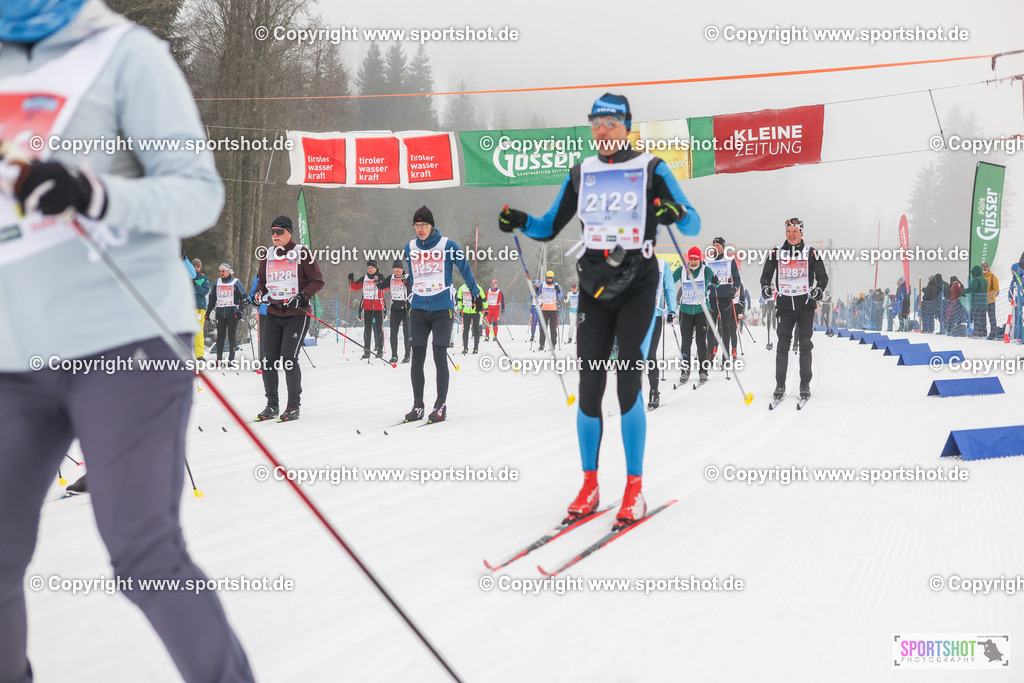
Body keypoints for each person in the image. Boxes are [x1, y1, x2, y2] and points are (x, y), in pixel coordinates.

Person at [0, 2, 255, 680]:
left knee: (142, 549)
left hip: (126, 341)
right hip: (13, 358)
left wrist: (94, 192)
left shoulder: (125, 53)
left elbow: (199, 194)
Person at [499, 93, 700, 528]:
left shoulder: (652, 169)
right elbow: (549, 225)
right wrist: (519, 220)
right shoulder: (582, 173)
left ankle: (633, 488)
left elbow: (693, 223)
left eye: (609, 122)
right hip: (594, 287)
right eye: (595, 122)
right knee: (589, 387)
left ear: (627, 125)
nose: (602, 130)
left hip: (638, 287)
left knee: (628, 383)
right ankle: (589, 484)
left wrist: (674, 210)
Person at [403, 206, 479, 423]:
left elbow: (464, 268)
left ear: (431, 225)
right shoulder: (409, 248)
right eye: (417, 225)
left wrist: (475, 293)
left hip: (442, 307)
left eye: (424, 225)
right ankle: (418, 405)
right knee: (416, 358)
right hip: (418, 308)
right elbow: (413, 275)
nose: (420, 229)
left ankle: (440, 405)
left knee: (438, 355)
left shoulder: (447, 245)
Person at [253, 216, 324, 421]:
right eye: (272, 232)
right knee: (268, 360)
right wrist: (258, 294)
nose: (275, 236)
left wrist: (302, 296)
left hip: (297, 314)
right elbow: (262, 282)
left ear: (289, 233)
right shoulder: (267, 254)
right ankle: (272, 405)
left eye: (279, 232)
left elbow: (317, 281)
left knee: (289, 358)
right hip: (274, 313)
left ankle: (293, 405)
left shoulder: (301, 253)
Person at [760, 218, 828, 402]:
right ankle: (780, 384)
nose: (791, 234)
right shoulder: (776, 252)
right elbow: (766, 274)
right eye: (788, 231)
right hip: (784, 306)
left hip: (805, 305)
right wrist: (765, 286)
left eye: (795, 231)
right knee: (783, 345)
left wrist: (818, 289)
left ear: (801, 234)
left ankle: (804, 384)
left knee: (805, 344)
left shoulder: (810, 253)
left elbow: (822, 277)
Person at [705, 237, 743, 365]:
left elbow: (737, 279)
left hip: (725, 297)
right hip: (711, 298)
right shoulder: (707, 261)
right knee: (711, 328)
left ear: (723, 247)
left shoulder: (729, 261)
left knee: (725, 328)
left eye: (718, 245)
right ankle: (709, 355)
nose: (715, 247)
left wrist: (734, 290)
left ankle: (726, 357)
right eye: (714, 245)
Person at [646, 258, 677, 409]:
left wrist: (671, 310)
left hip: (654, 316)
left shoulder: (662, 265)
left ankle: (654, 390)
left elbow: (669, 288)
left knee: (650, 354)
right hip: (632, 317)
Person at [206, 263, 248, 365]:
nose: (221, 273)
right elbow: (212, 300)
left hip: (232, 314)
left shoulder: (236, 282)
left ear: (228, 272)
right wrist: (208, 312)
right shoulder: (217, 282)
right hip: (220, 313)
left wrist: (240, 311)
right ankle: (219, 359)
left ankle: (231, 359)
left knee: (231, 336)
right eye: (220, 271)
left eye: (223, 271)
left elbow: (244, 299)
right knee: (220, 336)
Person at [349, 260, 386, 359]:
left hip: (378, 307)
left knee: (378, 329)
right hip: (367, 307)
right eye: (368, 268)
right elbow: (354, 287)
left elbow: (386, 287)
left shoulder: (380, 276)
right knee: (367, 330)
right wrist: (351, 280)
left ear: (375, 268)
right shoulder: (364, 278)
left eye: (371, 268)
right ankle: (367, 351)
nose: (370, 270)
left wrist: (380, 282)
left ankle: (380, 350)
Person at [383, 259, 412, 364]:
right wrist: (377, 281)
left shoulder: (407, 277)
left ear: (402, 270)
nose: (396, 273)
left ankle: (407, 355)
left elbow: (411, 288)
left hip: (406, 307)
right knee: (393, 333)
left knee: (406, 332)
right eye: (394, 271)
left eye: (398, 271)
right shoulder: (391, 278)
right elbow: (381, 286)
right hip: (395, 308)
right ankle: (394, 355)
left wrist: (406, 283)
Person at [456, 281, 488, 354]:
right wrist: (460, 309)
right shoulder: (462, 288)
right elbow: (459, 299)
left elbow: (483, 298)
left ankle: (476, 348)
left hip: (475, 311)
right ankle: (465, 348)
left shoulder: (478, 287)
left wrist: (486, 308)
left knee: (476, 329)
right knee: (466, 330)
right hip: (466, 311)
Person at [536, 270, 563, 351]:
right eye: (548, 278)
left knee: (553, 328)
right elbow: (536, 295)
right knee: (543, 328)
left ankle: (553, 344)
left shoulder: (556, 285)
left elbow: (560, 294)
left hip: (553, 309)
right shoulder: (542, 285)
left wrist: (557, 290)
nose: (549, 279)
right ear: (546, 278)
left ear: (553, 278)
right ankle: (541, 344)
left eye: (551, 278)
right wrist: (536, 290)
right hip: (544, 309)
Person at [191, 258, 210, 359]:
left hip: (199, 308)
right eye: (194, 267)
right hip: (188, 307)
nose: (196, 268)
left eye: (197, 267)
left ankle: (199, 355)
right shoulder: (186, 277)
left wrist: (195, 285)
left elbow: (204, 291)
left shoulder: (204, 278)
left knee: (198, 332)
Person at [966, 265, 988, 337]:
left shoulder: (976, 279)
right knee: (982, 318)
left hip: (977, 302)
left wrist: (963, 292)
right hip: (984, 302)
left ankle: (976, 332)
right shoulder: (984, 280)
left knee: (976, 317)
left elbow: (972, 288)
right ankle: (983, 332)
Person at [981, 261, 1000, 339]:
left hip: (990, 301)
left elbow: (996, 290)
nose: (984, 268)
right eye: (983, 266)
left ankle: (993, 332)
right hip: (982, 301)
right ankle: (983, 332)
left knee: (992, 317)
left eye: (986, 266)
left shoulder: (993, 277)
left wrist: (988, 296)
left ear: (988, 267)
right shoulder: (980, 277)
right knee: (982, 317)